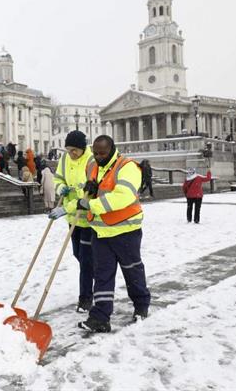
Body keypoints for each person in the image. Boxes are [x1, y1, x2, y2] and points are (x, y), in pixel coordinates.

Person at [77, 134, 151, 333]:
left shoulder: (127, 167)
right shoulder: (92, 165)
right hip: (101, 232)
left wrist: (91, 204)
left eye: (103, 152)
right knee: (102, 275)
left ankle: (141, 305)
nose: (99, 156)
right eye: (96, 152)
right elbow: (94, 186)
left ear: (112, 149)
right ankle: (100, 317)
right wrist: (89, 190)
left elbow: (123, 197)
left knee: (132, 270)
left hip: (126, 230)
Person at [48, 130, 95, 313]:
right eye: (69, 150)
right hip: (71, 218)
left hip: (88, 218)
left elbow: (91, 191)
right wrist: (62, 188)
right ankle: (97, 273)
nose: (71, 153)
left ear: (83, 148)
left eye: (75, 150)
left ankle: (85, 298)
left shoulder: (91, 161)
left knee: (85, 259)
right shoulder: (65, 159)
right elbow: (58, 178)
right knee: (78, 254)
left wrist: (67, 207)